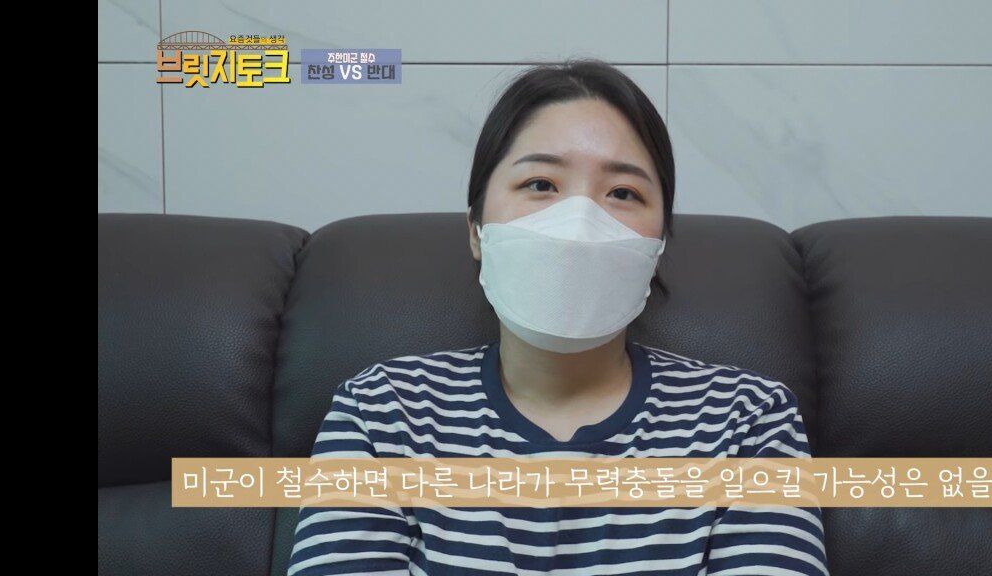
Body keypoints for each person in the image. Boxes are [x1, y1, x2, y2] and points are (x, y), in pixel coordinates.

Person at [288, 58, 828, 576]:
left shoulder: (748, 423)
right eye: (541, 185)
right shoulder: (381, 414)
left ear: (658, 245)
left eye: (622, 193)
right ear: (477, 229)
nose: (578, 226)